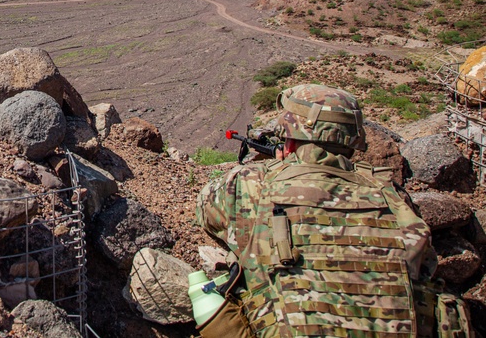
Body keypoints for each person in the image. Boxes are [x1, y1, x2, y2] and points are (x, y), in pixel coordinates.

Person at [195, 83, 469, 338]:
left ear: (289, 138)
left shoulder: (252, 184)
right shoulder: (391, 195)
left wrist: (275, 168)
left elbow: (205, 209)